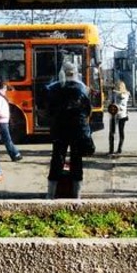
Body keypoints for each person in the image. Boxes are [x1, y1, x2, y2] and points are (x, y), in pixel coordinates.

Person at [46, 61, 92, 199]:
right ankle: (77, 195)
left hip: (59, 130)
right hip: (77, 131)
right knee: (76, 160)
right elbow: (87, 111)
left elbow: (49, 110)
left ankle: (51, 194)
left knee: (57, 159)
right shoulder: (83, 89)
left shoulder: (53, 89)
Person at [0, 80, 23, 162]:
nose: (5, 90)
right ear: (0, 88)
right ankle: (15, 154)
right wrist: (1, 116)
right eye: (4, 88)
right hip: (1, 121)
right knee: (7, 139)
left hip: (1, 121)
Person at [107, 79, 130, 156]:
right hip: (121, 115)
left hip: (115, 115)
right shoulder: (126, 94)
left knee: (113, 132)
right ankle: (118, 149)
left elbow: (119, 96)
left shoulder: (118, 94)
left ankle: (112, 150)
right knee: (120, 132)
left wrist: (113, 91)